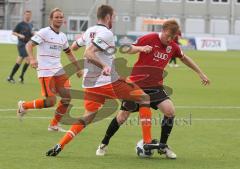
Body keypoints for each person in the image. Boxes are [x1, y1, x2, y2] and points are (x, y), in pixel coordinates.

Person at [46, 4, 155, 156]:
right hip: (108, 82)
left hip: (90, 84)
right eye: (114, 17)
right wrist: (104, 65)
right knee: (144, 98)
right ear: (108, 17)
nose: (114, 20)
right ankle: (148, 142)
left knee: (87, 117)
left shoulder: (90, 31)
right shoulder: (106, 33)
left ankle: (60, 145)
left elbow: (74, 46)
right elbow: (88, 53)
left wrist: (140, 49)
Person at [95, 19, 210, 159]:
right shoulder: (149, 38)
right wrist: (140, 48)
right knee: (122, 117)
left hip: (156, 87)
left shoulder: (173, 47)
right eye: (168, 36)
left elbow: (185, 58)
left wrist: (200, 73)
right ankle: (104, 143)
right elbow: (127, 48)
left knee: (170, 111)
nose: (170, 39)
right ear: (163, 30)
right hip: (136, 86)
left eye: (172, 37)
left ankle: (163, 146)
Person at [17, 8, 81, 132]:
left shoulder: (62, 36)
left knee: (67, 97)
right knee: (50, 102)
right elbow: (29, 44)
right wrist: (32, 59)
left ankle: (53, 125)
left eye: (61, 17)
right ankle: (24, 106)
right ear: (51, 19)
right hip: (45, 71)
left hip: (58, 70)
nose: (59, 19)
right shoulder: (44, 32)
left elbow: (69, 53)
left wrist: (78, 68)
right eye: (56, 17)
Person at [7, 10, 34, 84]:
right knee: (28, 59)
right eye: (26, 14)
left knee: (19, 61)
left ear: (30, 16)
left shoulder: (31, 25)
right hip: (22, 44)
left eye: (29, 15)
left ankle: (10, 77)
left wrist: (33, 34)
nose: (27, 16)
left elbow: (30, 34)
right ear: (24, 15)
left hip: (28, 44)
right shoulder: (20, 24)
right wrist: (19, 35)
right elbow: (13, 32)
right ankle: (21, 76)